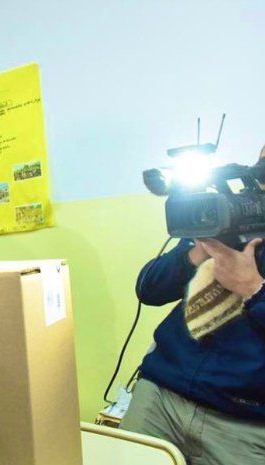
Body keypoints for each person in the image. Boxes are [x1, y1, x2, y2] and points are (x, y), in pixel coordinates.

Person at [121, 146, 265, 465]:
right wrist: (197, 251)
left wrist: (253, 290)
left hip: (244, 425)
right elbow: (149, 289)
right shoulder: (225, 217)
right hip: (161, 394)